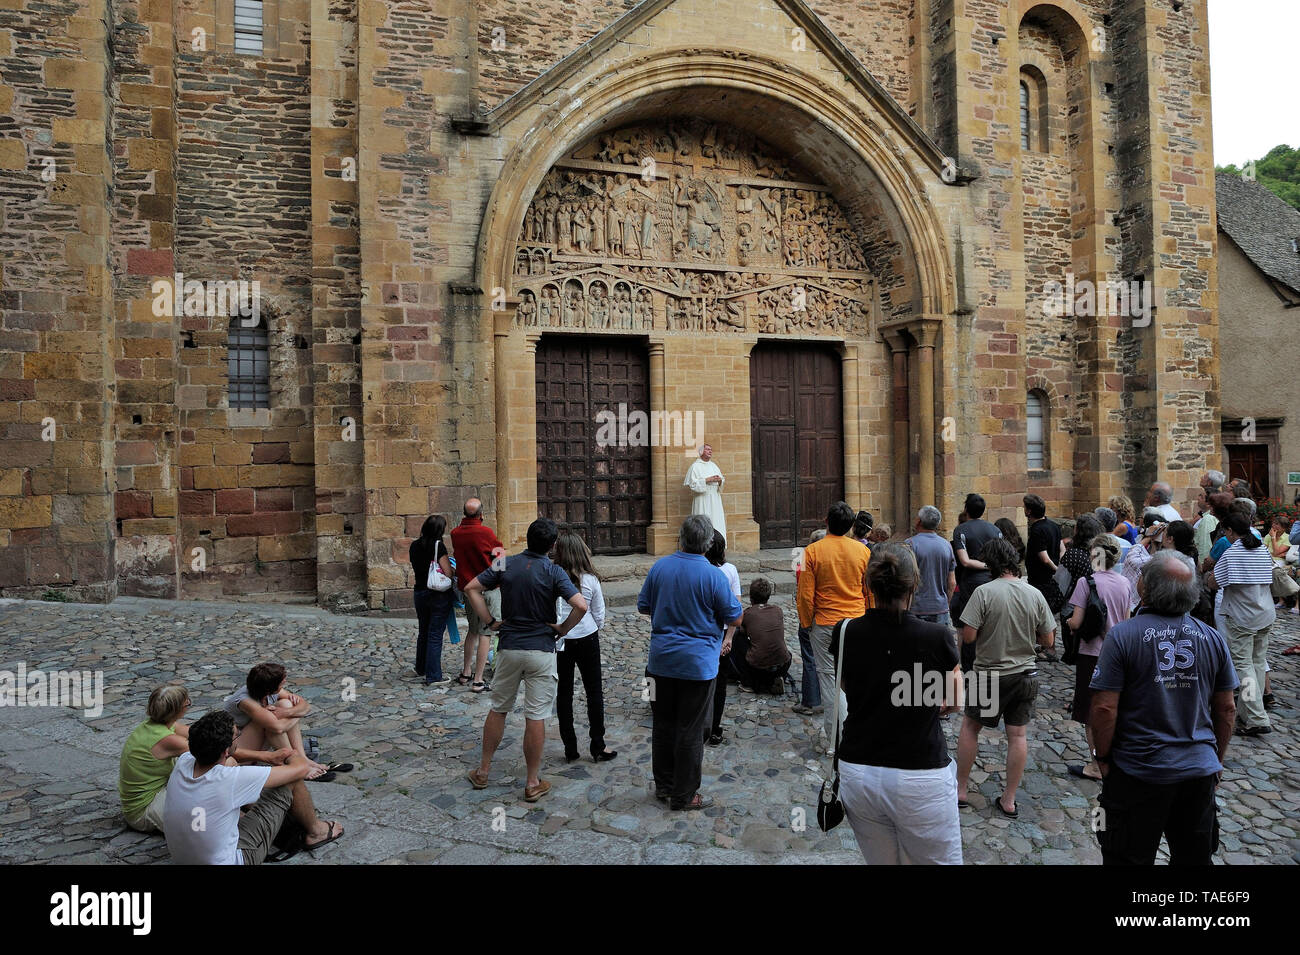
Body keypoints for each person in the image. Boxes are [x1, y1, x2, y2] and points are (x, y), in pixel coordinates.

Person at [1089, 551, 1238, 865]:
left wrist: (1102, 757)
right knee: (1194, 860)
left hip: (1138, 770)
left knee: (1125, 856)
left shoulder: (1122, 636)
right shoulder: (1212, 638)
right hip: (1197, 771)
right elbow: (1226, 709)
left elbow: (1104, 708)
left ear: (1146, 588)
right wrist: (1215, 760)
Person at [834, 545, 963, 865]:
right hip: (920, 774)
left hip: (859, 771)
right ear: (914, 585)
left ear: (868, 584)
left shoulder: (845, 631)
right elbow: (956, 700)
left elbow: (847, 686)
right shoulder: (937, 637)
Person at [465, 518, 588, 801]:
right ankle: (532, 782)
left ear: (527, 538)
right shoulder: (554, 571)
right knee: (536, 715)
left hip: (509, 646)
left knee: (499, 708)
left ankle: (483, 771)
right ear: (552, 545)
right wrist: (562, 629)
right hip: (541, 650)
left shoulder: (504, 563)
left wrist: (489, 621)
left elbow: (472, 587)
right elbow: (581, 605)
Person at [637, 515, 743, 811]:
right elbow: (734, 616)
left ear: (680, 539)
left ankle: (665, 785)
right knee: (691, 729)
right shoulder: (713, 576)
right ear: (708, 544)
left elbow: (643, 605)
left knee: (663, 724)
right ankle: (684, 795)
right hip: (697, 666)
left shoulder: (660, 567)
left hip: (659, 663)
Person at [956, 539, 1056, 818]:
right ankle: (1009, 799)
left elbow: (969, 637)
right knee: (1018, 735)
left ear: (991, 564)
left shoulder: (983, 592)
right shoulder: (1033, 593)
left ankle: (961, 790)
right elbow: (1048, 639)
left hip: (987, 673)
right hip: (1024, 674)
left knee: (970, 727)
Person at [163, 711, 343, 865]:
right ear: (225, 750)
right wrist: (290, 754)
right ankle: (316, 832)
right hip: (236, 858)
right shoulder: (229, 779)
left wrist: (267, 757)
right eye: (236, 736)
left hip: (183, 859)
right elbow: (299, 770)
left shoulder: (184, 761)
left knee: (232, 764)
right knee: (291, 780)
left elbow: (231, 759)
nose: (238, 738)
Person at [119, 686, 291, 834]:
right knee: (224, 766)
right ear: (178, 710)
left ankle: (245, 807)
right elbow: (214, 750)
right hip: (144, 808)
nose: (188, 705)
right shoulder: (167, 739)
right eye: (187, 703)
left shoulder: (159, 725)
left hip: (161, 789)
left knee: (216, 772)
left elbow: (203, 736)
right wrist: (266, 756)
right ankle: (245, 820)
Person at [796, 501, 871, 746]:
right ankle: (857, 732)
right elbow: (868, 590)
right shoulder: (863, 552)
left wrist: (807, 622)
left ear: (826, 522)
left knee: (829, 681)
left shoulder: (812, 551)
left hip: (826, 622)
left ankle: (836, 740)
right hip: (857, 622)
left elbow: (805, 595)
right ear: (851, 526)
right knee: (856, 678)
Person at [1063, 535, 1130, 781]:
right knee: (1113, 707)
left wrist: (1070, 622)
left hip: (1092, 653)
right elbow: (1126, 620)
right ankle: (1113, 757)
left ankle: (1095, 763)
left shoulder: (1086, 582)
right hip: (1119, 653)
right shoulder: (1124, 583)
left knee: (1090, 712)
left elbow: (1077, 621)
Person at [1207, 511, 1275, 736]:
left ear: (1228, 531)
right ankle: (1249, 715)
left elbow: (1214, 583)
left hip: (1243, 617)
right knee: (1256, 663)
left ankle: (1255, 717)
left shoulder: (1232, 553)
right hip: (1265, 613)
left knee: (1243, 667)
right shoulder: (1262, 549)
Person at [551, 531, 616, 763]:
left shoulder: (553, 577)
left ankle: (570, 746)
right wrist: (591, 628)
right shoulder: (590, 580)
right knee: (594, 691)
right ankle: (598, 744)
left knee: (564, 693)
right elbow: (599, 613)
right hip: (587, 637)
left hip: (562, 641)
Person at [223, 663, 335, 779]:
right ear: (269, 689)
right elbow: (278, 727)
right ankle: (295, 762)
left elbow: (305, 705)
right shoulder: (245, 701)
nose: (285, 683)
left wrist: (288, 712)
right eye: (281, 683)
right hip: (237, 750)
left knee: (286, 704)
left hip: (256, 741)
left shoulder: (267, 690)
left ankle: (302, 759)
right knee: (272, 719)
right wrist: (296, 715)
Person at [450, 498, 505, 692]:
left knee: (473, 631)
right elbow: (499, 553)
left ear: (464, 514)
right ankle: (479, 679)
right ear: (481, 514)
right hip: (487, 589)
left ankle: (466, 672)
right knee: (486, 634)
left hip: (467, 589)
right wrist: (500, 572)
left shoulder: (455, 533)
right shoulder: (486, 532)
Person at [951, 493, 1001, 669]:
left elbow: (964, 561)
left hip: (970, 583)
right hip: (991, 581)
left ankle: (969, 668)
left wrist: (984, 565)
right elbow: (1000, 558)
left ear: (966, 509)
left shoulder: (961, 530)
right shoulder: (995, 530)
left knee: (969, 624)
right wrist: (990, 566)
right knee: (990, 623)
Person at [704, 531, 741, 745]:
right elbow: (735, 610)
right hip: (723, 634)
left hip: (704, 633)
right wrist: (729, 638)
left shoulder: (702, 572)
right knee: (719, 684)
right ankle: (715, 727)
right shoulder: (730, 570)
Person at [410, 514, 455, 687]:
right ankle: (434, 675)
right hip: (437, 595)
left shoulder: (414, 545)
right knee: (435, 634)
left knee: (423, 632)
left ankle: (420, 668)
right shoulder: (438, 546)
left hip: (419, 592)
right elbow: (447, 572)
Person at [732, 577, 792, 694]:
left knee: (738, 637)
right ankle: (777, 678)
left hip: (757, 666)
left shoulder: (748, 613)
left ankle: (747, 682)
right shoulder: (777, 610)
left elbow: (742, 630)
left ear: (750, 597)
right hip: (783, 662)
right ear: (768, 596)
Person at [792, 529, 826, 716]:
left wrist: (805, 619)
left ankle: (811, 701)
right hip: (831, 614)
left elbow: (803, 592)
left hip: (812, 614)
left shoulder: (803, 560)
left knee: (810, 657)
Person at [909, 505, 957, 629]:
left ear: (919, 521)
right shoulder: (946, 545)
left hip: (917, 608)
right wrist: (946, 603)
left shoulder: (910, 544)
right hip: (940, 608)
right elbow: (951, 582)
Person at [1023, 493, 1062, 608]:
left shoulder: (1037, 530)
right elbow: (1062, 549)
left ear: (1029, 511)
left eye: (1025, 507)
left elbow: (1044, 559)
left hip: (1040, 579)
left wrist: (1057, 570)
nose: (1024, 509)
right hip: (1049, 579)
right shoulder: (1054, 525)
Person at [684, 444, 726, 541]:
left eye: (711, 450)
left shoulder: (714, 465)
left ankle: (717, 545)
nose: (710, 451)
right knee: (701, 521)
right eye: (707, 449)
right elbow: (692, 484)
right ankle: (701, 544)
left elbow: (722, 480)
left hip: (715, 498)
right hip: (702, 498)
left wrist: (719, 480)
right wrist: (707, 480)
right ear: (701, 452)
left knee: (716, 521)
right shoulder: (695, 466)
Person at [1193, 471, 1225, 560]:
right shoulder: (1206, 513)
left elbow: (1206, 543)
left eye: (1204, 477)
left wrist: (1203, 563)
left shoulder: (1208, 518)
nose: (1201, 478)